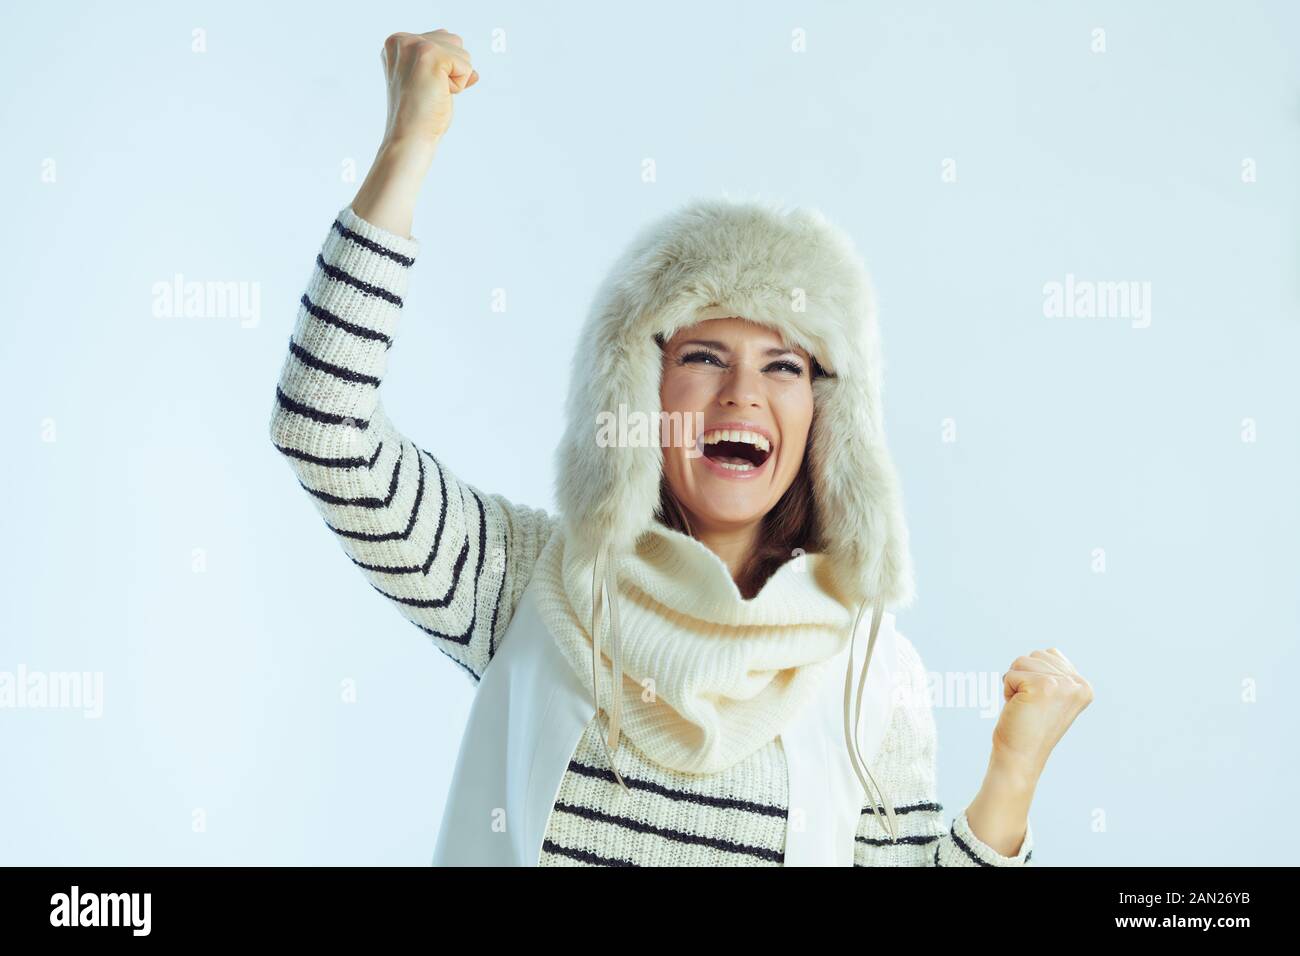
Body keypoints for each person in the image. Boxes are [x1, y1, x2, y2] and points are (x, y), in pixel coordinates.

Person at [268, 28, 1093, 867]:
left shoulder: (871, 674)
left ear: (826, 417)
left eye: (784, 365)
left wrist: (1012, 773)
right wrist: (408, 146)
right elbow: (323, 430)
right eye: (702, 357)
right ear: (636, 391)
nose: (743, 393)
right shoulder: (524, 581)